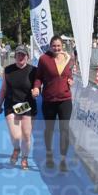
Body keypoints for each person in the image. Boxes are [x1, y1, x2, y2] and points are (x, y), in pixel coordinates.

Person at [32, 35, 75, 172]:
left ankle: (63, 159)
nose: (56, 48)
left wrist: (70, 80)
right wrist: (36, 87)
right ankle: (49, 154)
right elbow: (38, 77)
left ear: (62, 46)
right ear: (50, 46)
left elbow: (69, 75)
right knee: (49, 129)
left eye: (58, 46)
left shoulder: (68, 58)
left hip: (65, 99)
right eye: (54, 45)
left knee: (64, 129)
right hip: (49, 99)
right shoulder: (44, 59)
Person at [0, 45, 36, 170]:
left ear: (27, 57)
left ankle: (24, 158)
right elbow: (3, 89)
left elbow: (38, 85)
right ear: (15, 56)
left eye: (23, 55)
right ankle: (16, 149)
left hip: (27, 105)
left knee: (26, 135)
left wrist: (37, 90)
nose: (20, 57)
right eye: (18, 54)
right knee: (16, 135)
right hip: (11, 105)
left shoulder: (33, 70)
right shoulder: (8, 70)